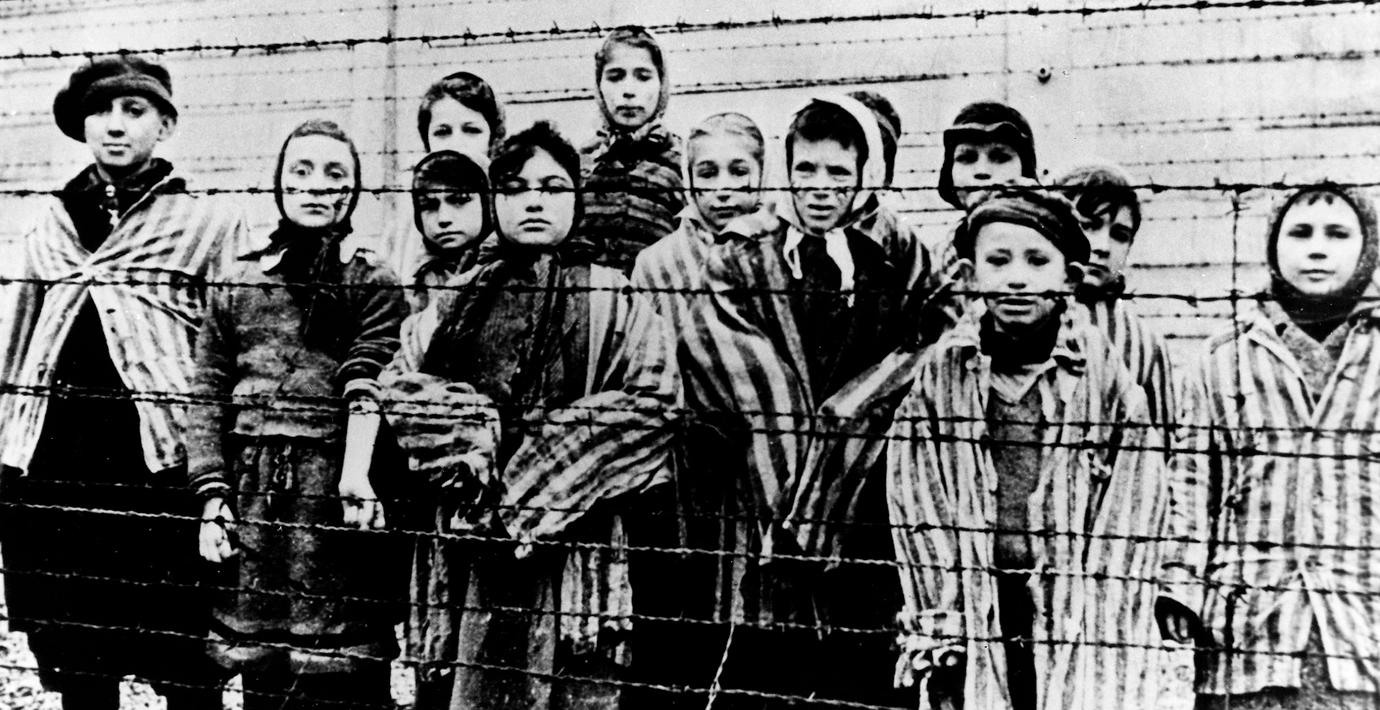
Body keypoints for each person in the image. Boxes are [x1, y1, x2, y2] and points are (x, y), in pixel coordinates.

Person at [380, 120, 679, 710]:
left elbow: (656, 401)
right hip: (471, 537)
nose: (534, 201)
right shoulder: (456, 300)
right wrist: (472, 437)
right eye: (515, 188)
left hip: (577, 538)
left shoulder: (614, 295)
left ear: (578, 199)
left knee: (573, 687)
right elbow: (399, 384)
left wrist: (547, 466)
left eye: (553, 187)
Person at [0, 55, 250, 710]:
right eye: (101, 112)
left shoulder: (206, 222)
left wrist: (223, 467)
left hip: (160, 473)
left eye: (134, 110)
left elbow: (232, 346)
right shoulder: (48, 222)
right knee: (79, 660)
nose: (116, 125)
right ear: (82, 126)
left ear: (165, 125)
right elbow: (15, 345)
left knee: (185, 662)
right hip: (59, 471)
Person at [888, 189, 1170, 710]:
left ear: (1069, 278)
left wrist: (1104, 619)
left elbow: (1135, 502)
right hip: (977, 603)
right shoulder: (944, 378)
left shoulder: (1103, 380)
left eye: (1037, 261)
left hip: (1075, 609)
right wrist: (941, 618)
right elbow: (918, 499)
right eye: (998, 261)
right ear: (970, 275)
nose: (1017, 278)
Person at [680, 94, 913, 708]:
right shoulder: (741, 255)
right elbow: (742, 375)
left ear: (864, 175)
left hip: (863, 501)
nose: (820, 187)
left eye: (839, 172)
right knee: (769, 667)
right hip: (766, 504)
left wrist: (858, 410)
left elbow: (931, 336)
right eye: (805, 169)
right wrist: (801, 492)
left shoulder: (896, 251)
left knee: (856, 667)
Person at [186, 119, 409, 710]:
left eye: (334, 174)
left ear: (354, 190)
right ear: (279, 184)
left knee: (342, 670)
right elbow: (207, 391)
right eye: (300, 171)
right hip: (254, 492)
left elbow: (376, 379)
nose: (315, 185)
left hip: (336, 493)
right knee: (263, 663)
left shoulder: (372, 280)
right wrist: (212, 495)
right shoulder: (240, 279)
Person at [1161, 185, 1380, 710]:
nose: (1318, 249)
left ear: (1367, 248)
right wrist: (1180, 582)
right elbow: (1192, 477)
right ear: (1273, 247)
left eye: (1337, 234)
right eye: (1300, 233)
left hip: (1362, 623)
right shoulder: (1225, 357)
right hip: (1247, 627)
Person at [628, 111, 777, 708]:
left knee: (756, 626)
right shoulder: (657, 263)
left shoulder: (780, 252)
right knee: (683, 624)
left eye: (739, 171)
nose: (724, 188)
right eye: (707, 173)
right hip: (687, 466)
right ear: (688, 180)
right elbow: (646, 362)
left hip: (766, 464)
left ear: (762, 175)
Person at [1055, 163, 1176, 430]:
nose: (1102, 247)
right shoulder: (1020, 313)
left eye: (1119, 236)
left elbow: (1160, 442)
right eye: (1088, 226)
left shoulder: (1145, 343)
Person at [579, 26, 686, 273]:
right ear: (599, 85)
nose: (628, 90)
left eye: (643, 77)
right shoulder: (580, 164)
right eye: (615, 77)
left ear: (661, 84)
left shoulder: (683, 164)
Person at [390, 71, 507, 297]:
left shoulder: (510, 216)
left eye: (471, 130)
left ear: (493, 139)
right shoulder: (406, 226)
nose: (456, 143)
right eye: (442, 132)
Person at [406, 149, 493, 311]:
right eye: (428, 205)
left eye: (459, 200)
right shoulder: (417, 282)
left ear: (488, 203)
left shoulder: (508, 274)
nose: (443, 218)